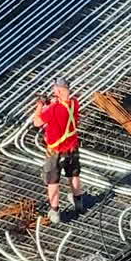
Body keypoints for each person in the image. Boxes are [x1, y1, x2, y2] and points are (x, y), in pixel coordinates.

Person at [33, 79, 83, 225]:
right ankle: (78, 202)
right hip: (72, 147)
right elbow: (64, 109)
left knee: (53, 181)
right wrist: (53, 102)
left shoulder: (54, 109)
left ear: (59, 91)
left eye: (55, 90)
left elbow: (37, 122)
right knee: (73, 174)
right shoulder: (74, 103)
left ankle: (55, 212)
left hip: (55, 152)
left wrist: (40, 105)